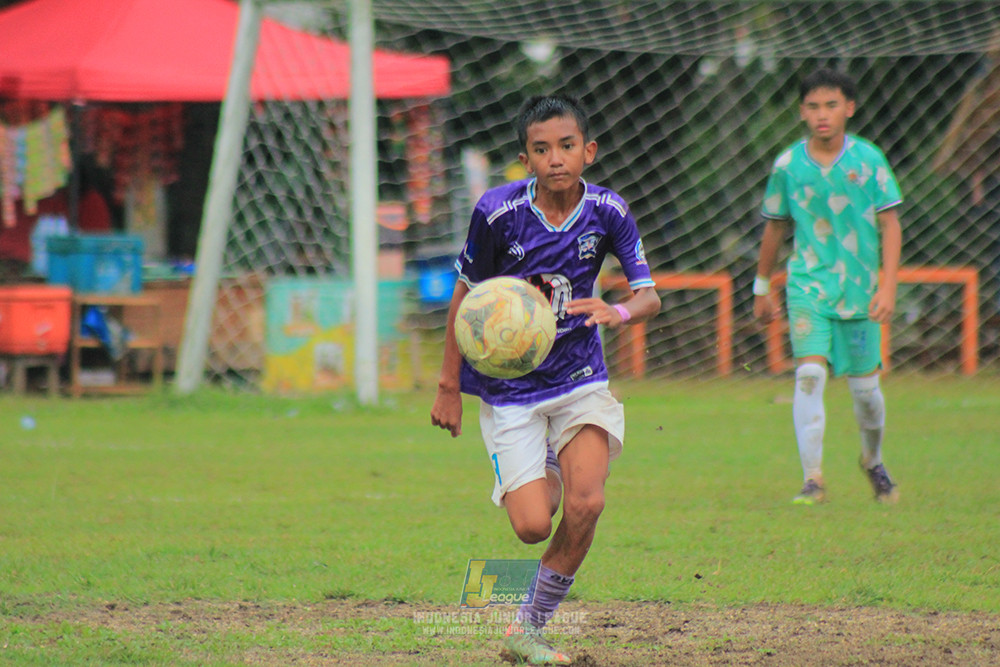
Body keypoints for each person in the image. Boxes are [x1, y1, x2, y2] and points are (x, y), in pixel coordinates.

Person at [431, 94, 661, 664]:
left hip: (581, 377)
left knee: (587, 503)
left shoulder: (609, 211)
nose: (555, 158)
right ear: (525, 158)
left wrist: (619, 311)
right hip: (511, 391)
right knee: (533, 527)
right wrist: (447, 386)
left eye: (566, 146)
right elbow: (465, 294)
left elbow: (649, 294)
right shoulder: (496, 212)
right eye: (541, 149)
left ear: (589, 150)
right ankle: (548, 462)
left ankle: (526, 629)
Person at [753, 68, 903, 506]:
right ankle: (813, 479)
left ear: (849, 109)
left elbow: (890, 224)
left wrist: (888, 286)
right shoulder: (787, 165)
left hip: (860, 292)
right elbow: (775, 228)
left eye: (831, 105)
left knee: (866, 395)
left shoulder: (869, 160)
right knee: (810, 374)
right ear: (802, 112)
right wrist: (762, 286)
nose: (823, 114)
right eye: (814, 106)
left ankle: (872, 461)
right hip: (808, 286)